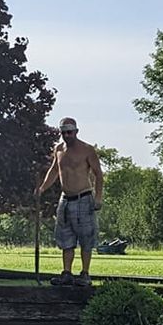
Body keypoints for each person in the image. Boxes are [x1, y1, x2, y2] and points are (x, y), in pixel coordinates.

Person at [38, 116, 104, 285]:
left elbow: (98, 174)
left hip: (84, 197)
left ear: (76, 132)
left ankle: (85, 273)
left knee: (86, 238)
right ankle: (66, 273)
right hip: (65, 199)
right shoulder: (58, 149)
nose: (67, 135)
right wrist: (42, 188)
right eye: (63, 133)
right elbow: (54, 170)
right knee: (65, 238)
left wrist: (98, 197)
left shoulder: (87, 150)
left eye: (70, 132)